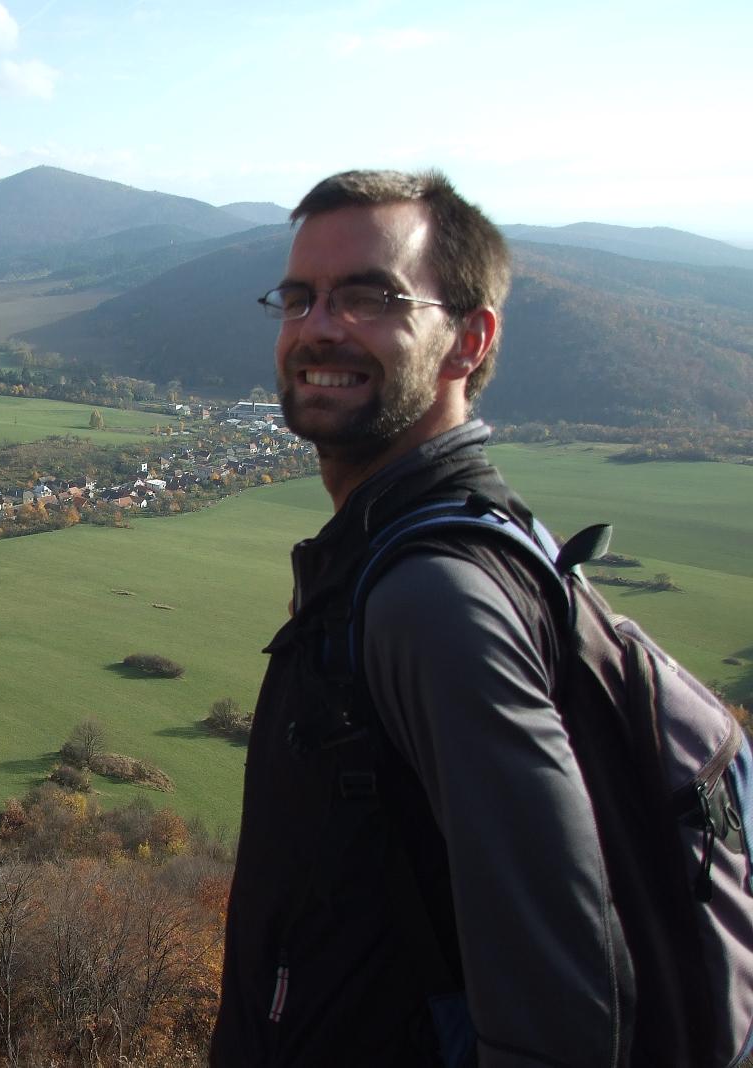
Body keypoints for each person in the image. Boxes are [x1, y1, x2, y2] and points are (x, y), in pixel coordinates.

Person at [210, 171, 633, 1066]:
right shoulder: (390, 557)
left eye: (369, 298)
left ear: (468, 341)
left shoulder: (435, 600)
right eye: (299, 297)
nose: (319, 327)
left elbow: (561, 1012)